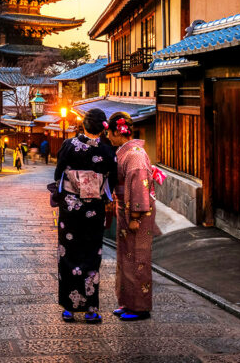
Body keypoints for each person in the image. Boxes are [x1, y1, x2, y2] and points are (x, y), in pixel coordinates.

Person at [53, 108, 116, 323]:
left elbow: (58, 172)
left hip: (71, 208)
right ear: (102, 127)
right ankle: (91, 309)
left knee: (68, 253)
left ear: (84, 124)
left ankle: (69, 308)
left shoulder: (69, 145)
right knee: (91, 254)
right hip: (94, 209)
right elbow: (112, 179)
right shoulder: (107, 150)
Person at [107, 112, 163, 321]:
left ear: (117, 132)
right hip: (125, 209)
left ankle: (139, 307)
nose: (108, 138)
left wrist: (135, 216)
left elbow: (140, 187)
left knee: (138, 258)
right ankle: (128, 302)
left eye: (109, 133)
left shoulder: (135, 155)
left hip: (137, 213)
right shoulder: (126, 152)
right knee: (126, 256)